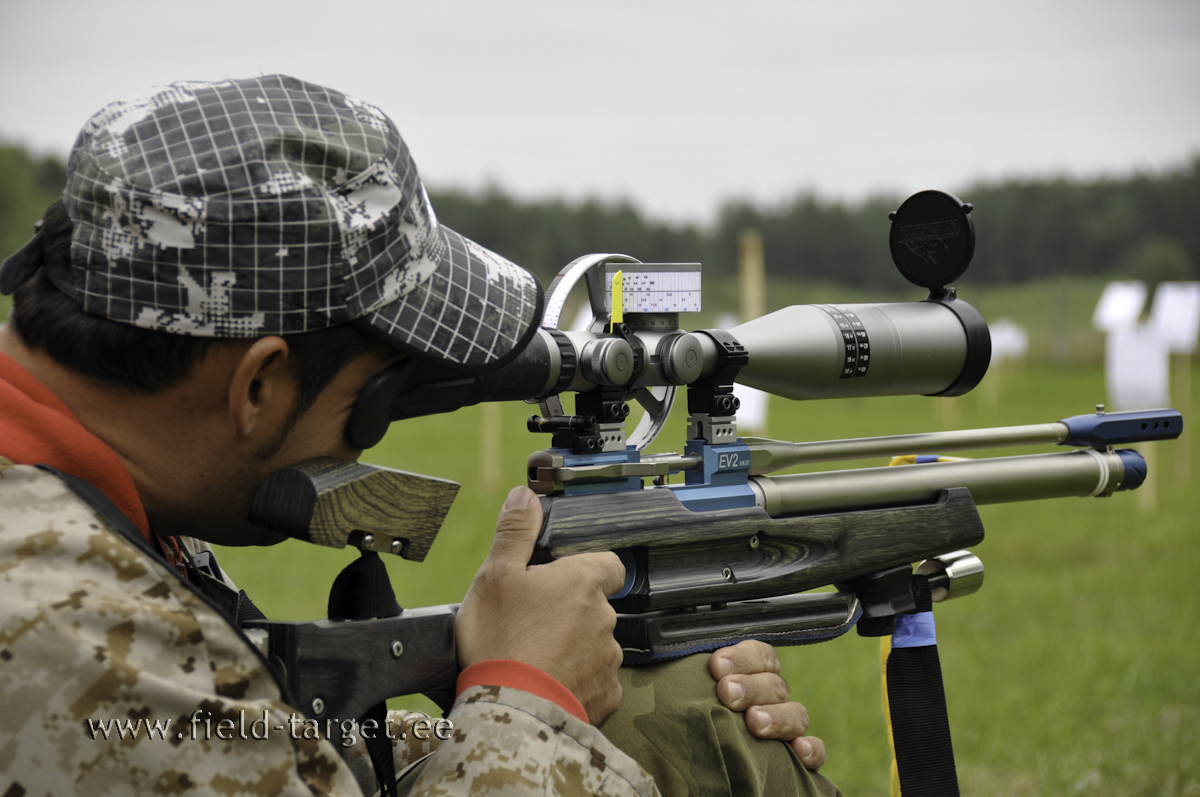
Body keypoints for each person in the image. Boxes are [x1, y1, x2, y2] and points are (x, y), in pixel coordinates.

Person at [0, 75, 841, 796]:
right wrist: (527, 695)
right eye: (380, 397)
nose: (368, 443)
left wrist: (573, 694)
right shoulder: (64, 641)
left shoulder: (89, 500)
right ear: (256, 385)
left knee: (676, 715)